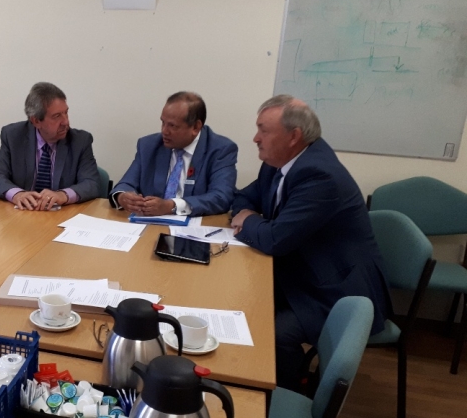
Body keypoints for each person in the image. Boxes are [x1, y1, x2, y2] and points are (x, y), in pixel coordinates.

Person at [231, 95, 391, 390]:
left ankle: (291, 391)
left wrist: (249, 220)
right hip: (303, 271)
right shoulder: (279, 161)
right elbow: (242, 198)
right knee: (240, 298)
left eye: (263, 130)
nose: (255, 138)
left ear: (294, 137)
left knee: (274, 332)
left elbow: (275, 239)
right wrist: (250, 216)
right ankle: (247, 376)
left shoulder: (319, 175)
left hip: (335, 289)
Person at [110, 92, 237, 216]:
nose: (164, 131)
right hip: (150, 228)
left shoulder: (220, 149)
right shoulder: (148, 145)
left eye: (172, 126)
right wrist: (123, 197)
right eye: (163, 122)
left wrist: (171, 206)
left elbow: (221, 197)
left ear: (196, 127)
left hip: (193, 231)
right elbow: (126, 183)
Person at [0, 82, 101, 210]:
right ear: (36, 121)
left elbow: (91, 183)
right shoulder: (13, 136)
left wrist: (63, 195)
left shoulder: (80, 141)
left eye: (66, 113)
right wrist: (17, 194)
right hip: (22, 215)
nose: (65, 121)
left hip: (61, 215)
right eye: (57, 116)